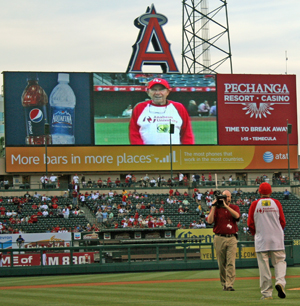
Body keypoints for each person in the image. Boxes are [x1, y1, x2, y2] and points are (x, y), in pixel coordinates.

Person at [247, 182, 287, 300]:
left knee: (264, 266)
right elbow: (283, 221)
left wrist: (256, 234)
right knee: (279, 261)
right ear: (271, 192)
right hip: (277, 238)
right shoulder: (276, 203)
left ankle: (267, 294)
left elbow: (250, 223)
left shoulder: (254, 204)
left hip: (262, 238)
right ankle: (280, 282)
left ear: (259, 192)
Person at [129, 78, 195, 145]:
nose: (157, 93)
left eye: (161, 89)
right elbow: (134, 133)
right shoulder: (140, 108)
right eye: (154, 90)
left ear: (168, 92)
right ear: (148, 92)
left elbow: (187, 134)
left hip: (174, 152)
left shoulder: (178, 107)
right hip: (147, 153)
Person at [206, 190, 240, 291]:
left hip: (231, 237)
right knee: (221, 263)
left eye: (228, 196)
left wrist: (226, 206)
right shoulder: (216, 208)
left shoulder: (234, 207)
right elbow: (210, 221)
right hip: (219, 237)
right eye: (225, 197)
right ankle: (224, 283)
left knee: (231, 262)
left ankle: (229, 284)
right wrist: (213, 206)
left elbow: (237, 216)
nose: (227, 198)